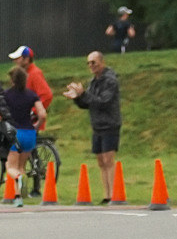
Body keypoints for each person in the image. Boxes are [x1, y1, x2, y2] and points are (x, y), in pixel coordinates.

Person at [64, 51, 121, 203]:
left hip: (109, 124)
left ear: (102, 62)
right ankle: (106, 194)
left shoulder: (110, 81)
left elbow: (103, 102)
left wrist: (84, 94)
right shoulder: (94, 81)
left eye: (93, 62)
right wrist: (78, 98)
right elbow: (88, 103)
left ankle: (113, 194)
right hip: (97, 125)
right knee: (101, 161)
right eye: (88, 63)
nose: (91, 66)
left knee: (108, 160)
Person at [0, 66, 43, 207]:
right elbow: (42, 114)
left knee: (10, 167)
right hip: (29, 134)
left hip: (14, 133)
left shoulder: (6, 95)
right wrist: (36, 126)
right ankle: (18, 197)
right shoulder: (31, 95)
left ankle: (17, 179)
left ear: (12, 79)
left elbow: (0, 114)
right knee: (21, 166)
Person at [8, 45, 53, 111]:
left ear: (26, 59)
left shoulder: (35, 74)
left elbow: (46, 96)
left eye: (17, 58)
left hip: (32, 120)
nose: (14, 61)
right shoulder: (23, 74)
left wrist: (33, 111)